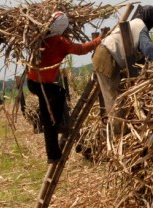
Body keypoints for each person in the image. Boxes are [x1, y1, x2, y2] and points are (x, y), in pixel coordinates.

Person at [27, 11, 105, 164]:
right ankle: (53, 155)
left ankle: (58, 124)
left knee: (59, 94)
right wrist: (99, 40)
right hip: (42, 85)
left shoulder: (40, 37)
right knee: (50, 119)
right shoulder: (60, 41)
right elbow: (81, 49)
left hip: (32, 82)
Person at [92, 5, 153, 136]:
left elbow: (139, 54)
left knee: (120, 97)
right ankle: (117, 138)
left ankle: (118, 133)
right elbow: (148, 48)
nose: (152, 27)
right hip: (107, 58)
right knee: (116, 101)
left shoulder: (134, 25)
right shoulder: (141, 27)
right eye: (152, 23)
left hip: (107, 56)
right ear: (148, 20)